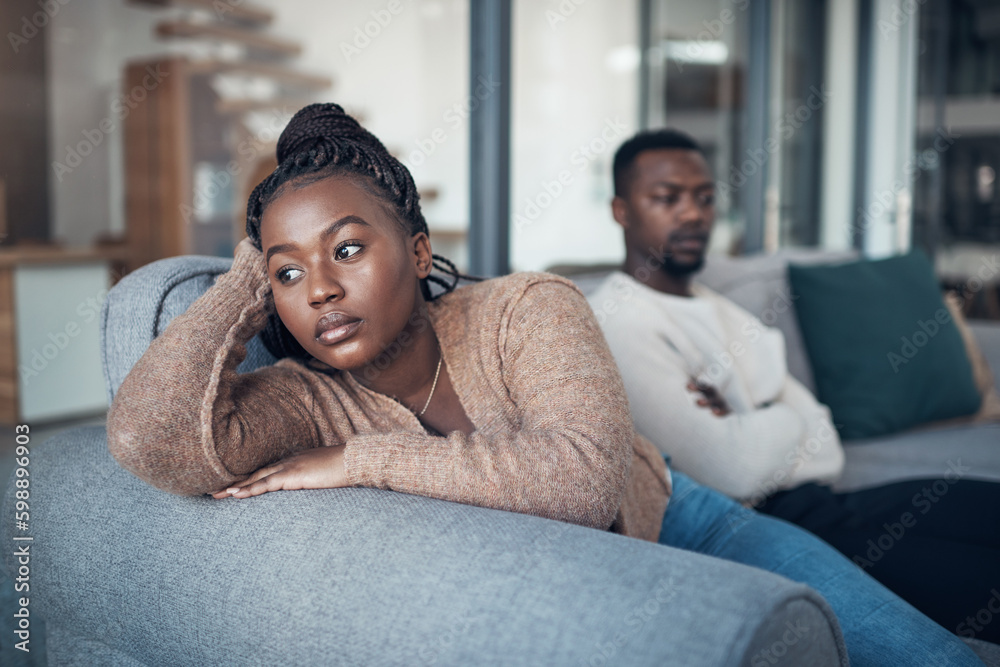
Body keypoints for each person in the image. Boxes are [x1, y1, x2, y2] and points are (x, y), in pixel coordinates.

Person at [108, 104, 984, 665]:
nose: (322, 289)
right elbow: (149, 441)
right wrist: (240, 281)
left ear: (416, 250)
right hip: (598, 587)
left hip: (685, 517)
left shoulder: (528, 308)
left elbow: (583, 479)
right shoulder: (304, 400)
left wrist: (362, 460)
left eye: (346, 248)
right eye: (291, 274)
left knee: (929, 656)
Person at [589, 127, 1000, 644]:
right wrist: (786, 412)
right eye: (667, 198)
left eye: (705, 197)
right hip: (777, 528)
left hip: (830, 499)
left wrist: (751, 418)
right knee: (981, 581)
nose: (693, 214)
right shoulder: (619, 320)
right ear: (622, 211)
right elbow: (730, 471)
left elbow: (828, 447)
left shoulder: (724, 311)